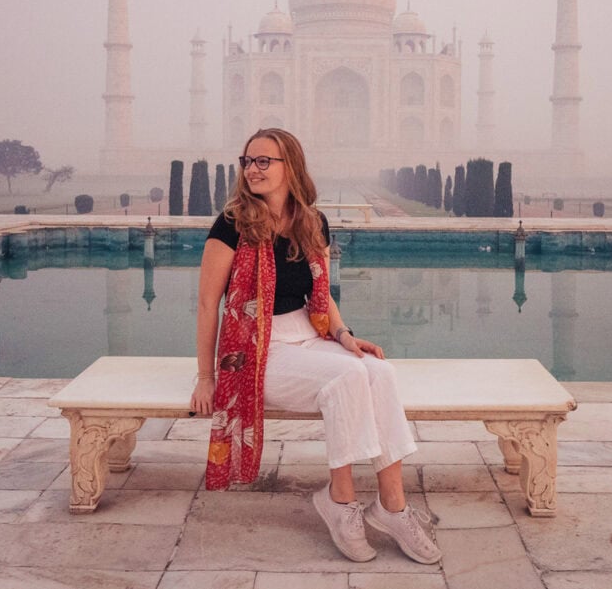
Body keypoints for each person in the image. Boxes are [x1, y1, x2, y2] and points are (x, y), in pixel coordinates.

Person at [189, 128, 441, 564]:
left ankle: (392, 506)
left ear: (292, 167)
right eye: (248, 161)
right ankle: (340, 501)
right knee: (346, 376)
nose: (253, 169)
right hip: (256, 350)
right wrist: (207, 376)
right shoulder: (232, 224)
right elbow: (208, 303)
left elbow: (321, 297)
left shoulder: (311, 221)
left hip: (308, 335)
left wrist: (344, 336)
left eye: (264, 161)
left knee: (379, 372)